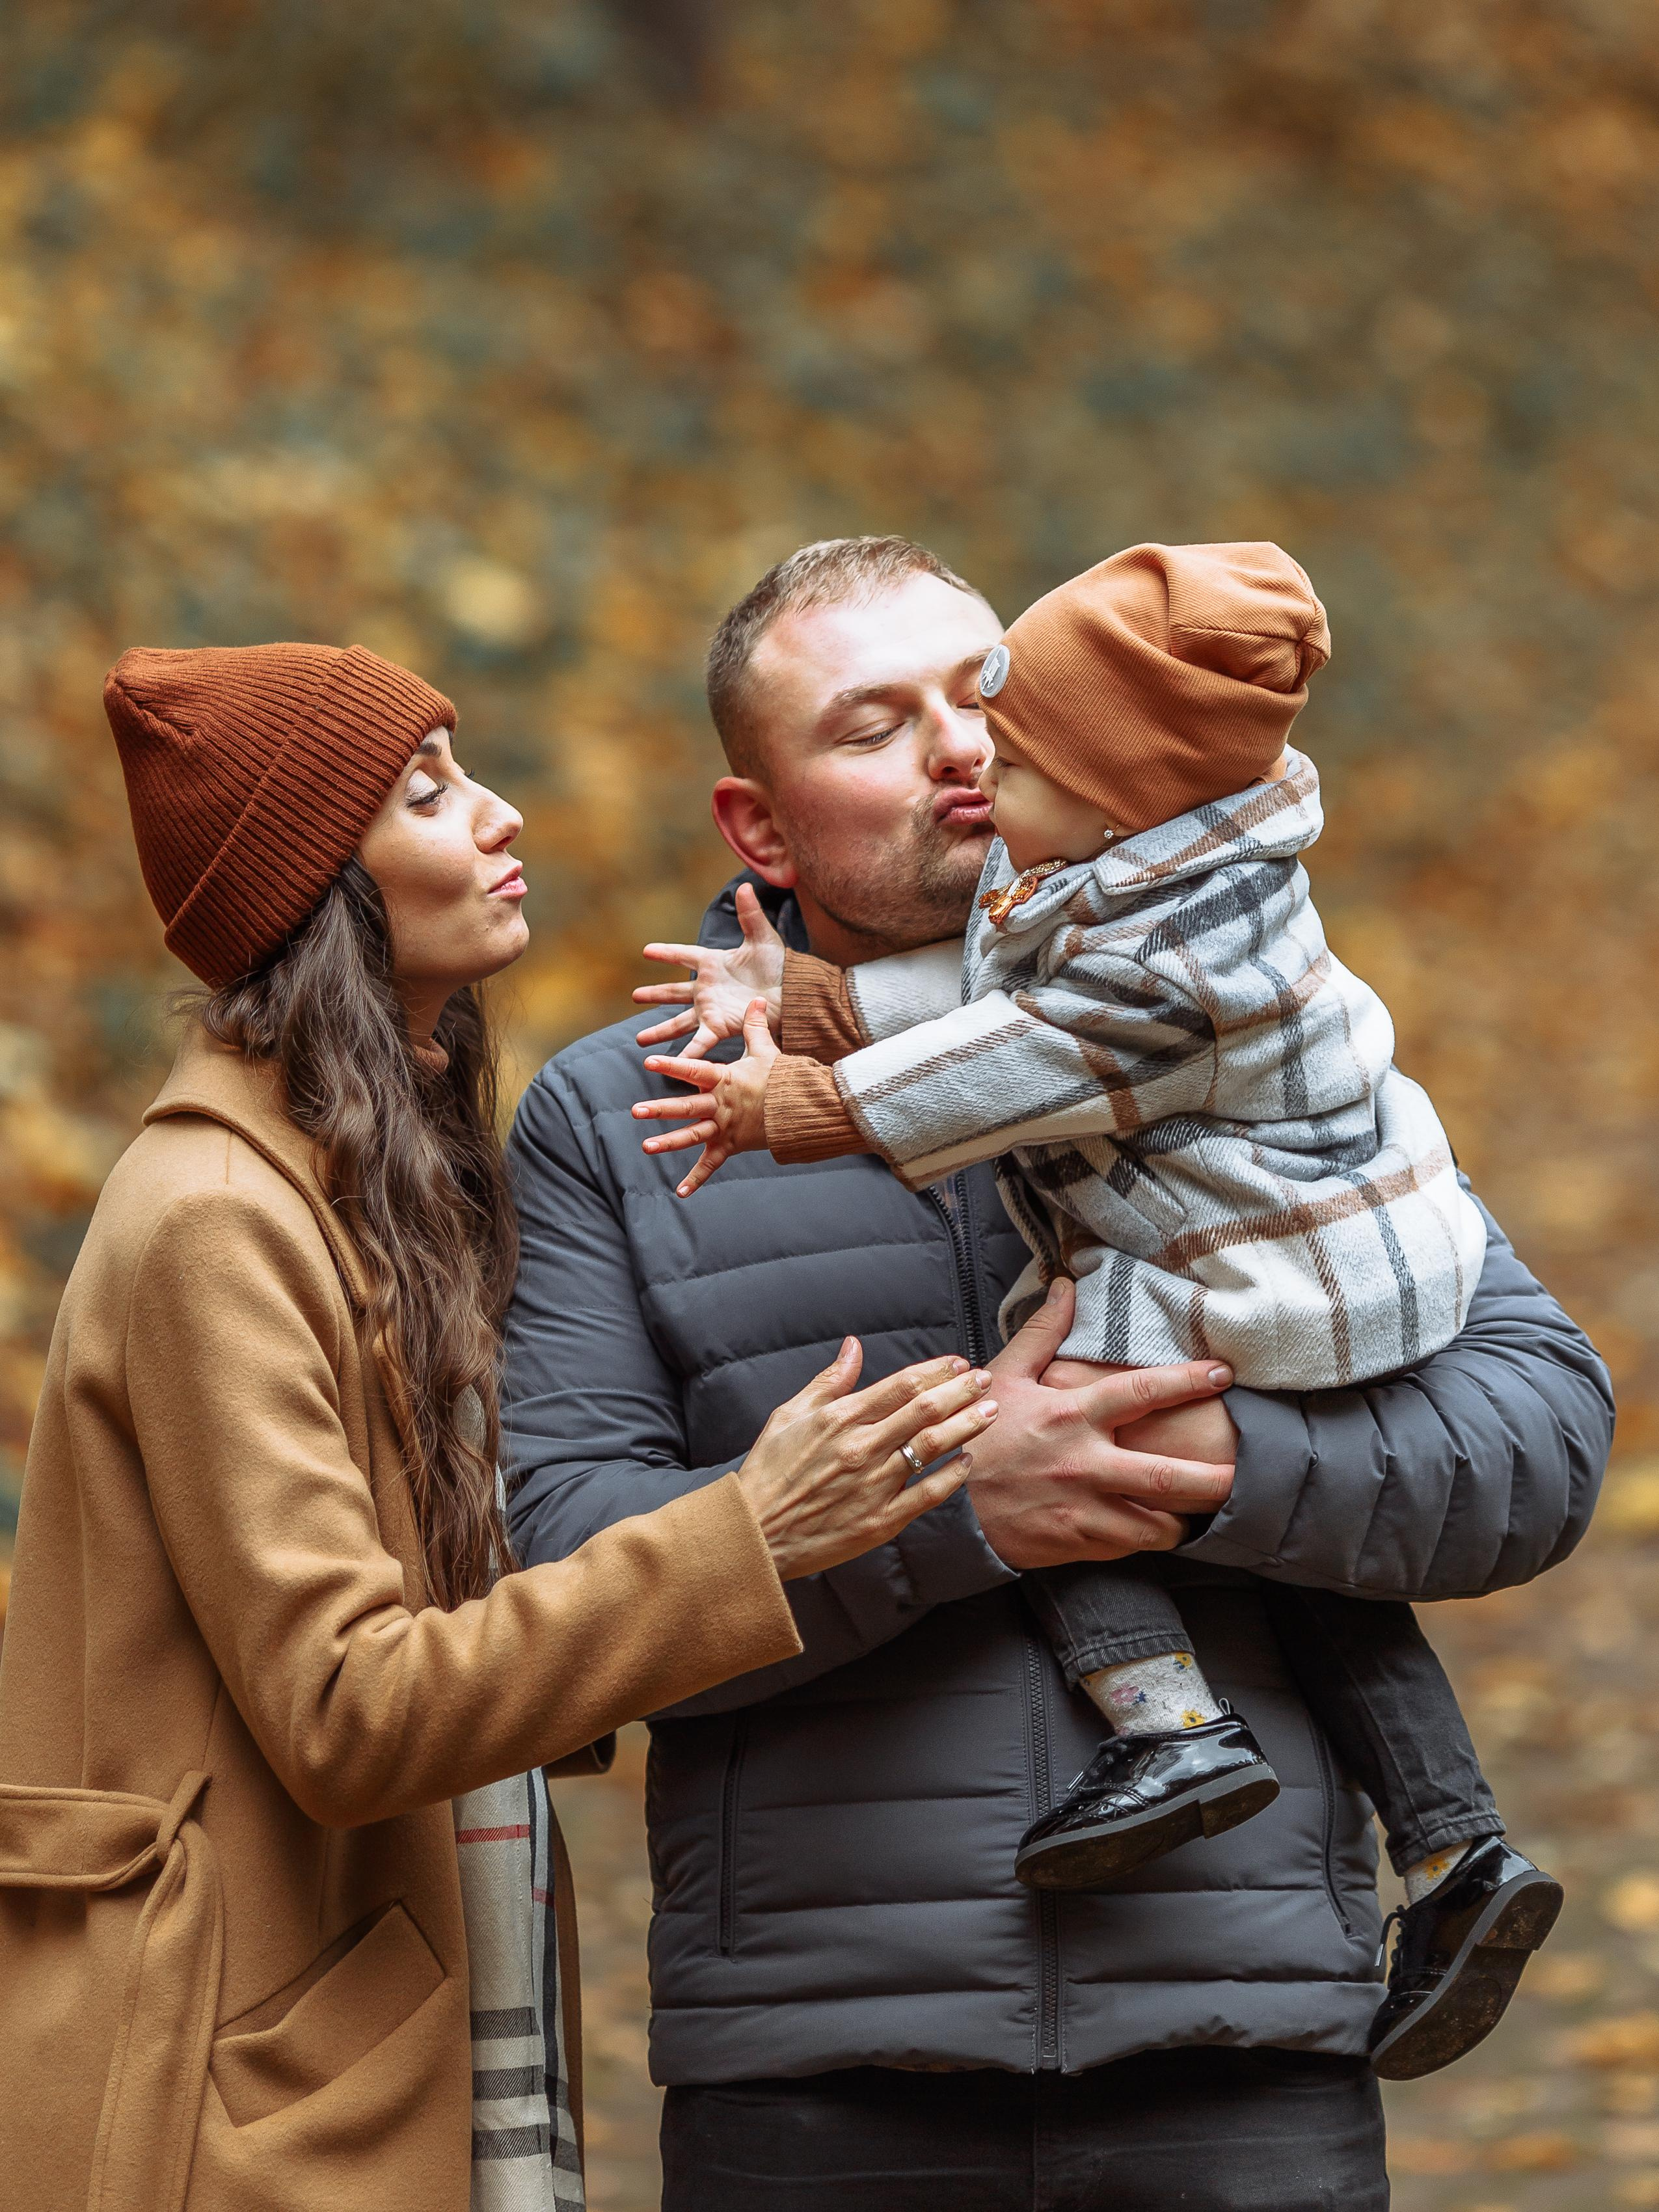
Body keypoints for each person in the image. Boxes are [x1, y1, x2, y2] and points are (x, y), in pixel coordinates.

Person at [502, 539, 1613, 2212]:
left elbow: (1537, 1439)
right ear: (759, 825)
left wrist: (1199, 1463)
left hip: (1240, 2048)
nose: (959, 747)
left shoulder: (1262, 1034)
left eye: (989, 696)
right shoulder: (626, 1118)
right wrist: (961, 1502)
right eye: (875, 726)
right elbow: (568, 1575)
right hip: (821, 2070)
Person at [0, 640, 998, 2212]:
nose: (499, 812)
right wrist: (752, 1531)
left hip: (334, 2018)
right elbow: (346, 1707)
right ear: (321, 883)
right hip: (226, 2077)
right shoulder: (215, 1220)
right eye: (428, 792)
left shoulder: (353, 1179)